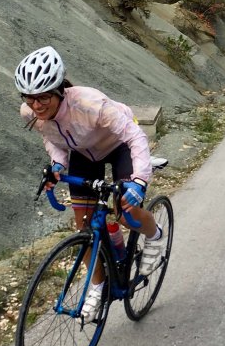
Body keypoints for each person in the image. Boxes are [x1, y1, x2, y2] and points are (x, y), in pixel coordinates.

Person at [16, 45, 165, 322]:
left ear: (59, 90)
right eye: (29, 97)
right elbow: (52, 137)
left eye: (43, 97)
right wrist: (58, 164)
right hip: (85, 153)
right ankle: (98, 285)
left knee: (127, 214)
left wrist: (139, 181)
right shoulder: (30, 113)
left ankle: (155, 236)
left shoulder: (91, 104)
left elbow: (136, 138)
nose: (36, 105)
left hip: (120, 146)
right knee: (83, 224)